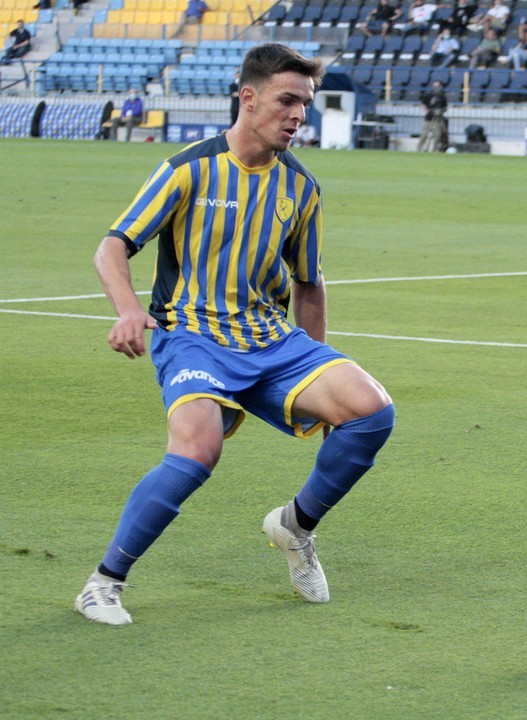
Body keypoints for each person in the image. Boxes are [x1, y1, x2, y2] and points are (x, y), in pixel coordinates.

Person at [75, 43, 395, 626]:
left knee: (371, 412)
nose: (298, 115)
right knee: (199, 448)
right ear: (248, 98)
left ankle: (295, 526)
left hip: (272, 341)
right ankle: (103, 583)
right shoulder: (188, 169)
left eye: (305, 103)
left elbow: (309, 283)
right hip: (192, 334)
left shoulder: (301, 187)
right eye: (287, 100)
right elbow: (112, 246)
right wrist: (127, 310)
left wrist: (319, 363)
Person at [418, 79, 449, 152]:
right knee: (424, 134)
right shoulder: (428, 95)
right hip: (428, 118)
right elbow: (423, 104)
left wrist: (440, 112)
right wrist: (428, 111)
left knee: (437, 135)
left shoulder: (442, 97)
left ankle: (434, 149)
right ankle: (419, 149)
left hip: (438, 119)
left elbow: (445, 107)